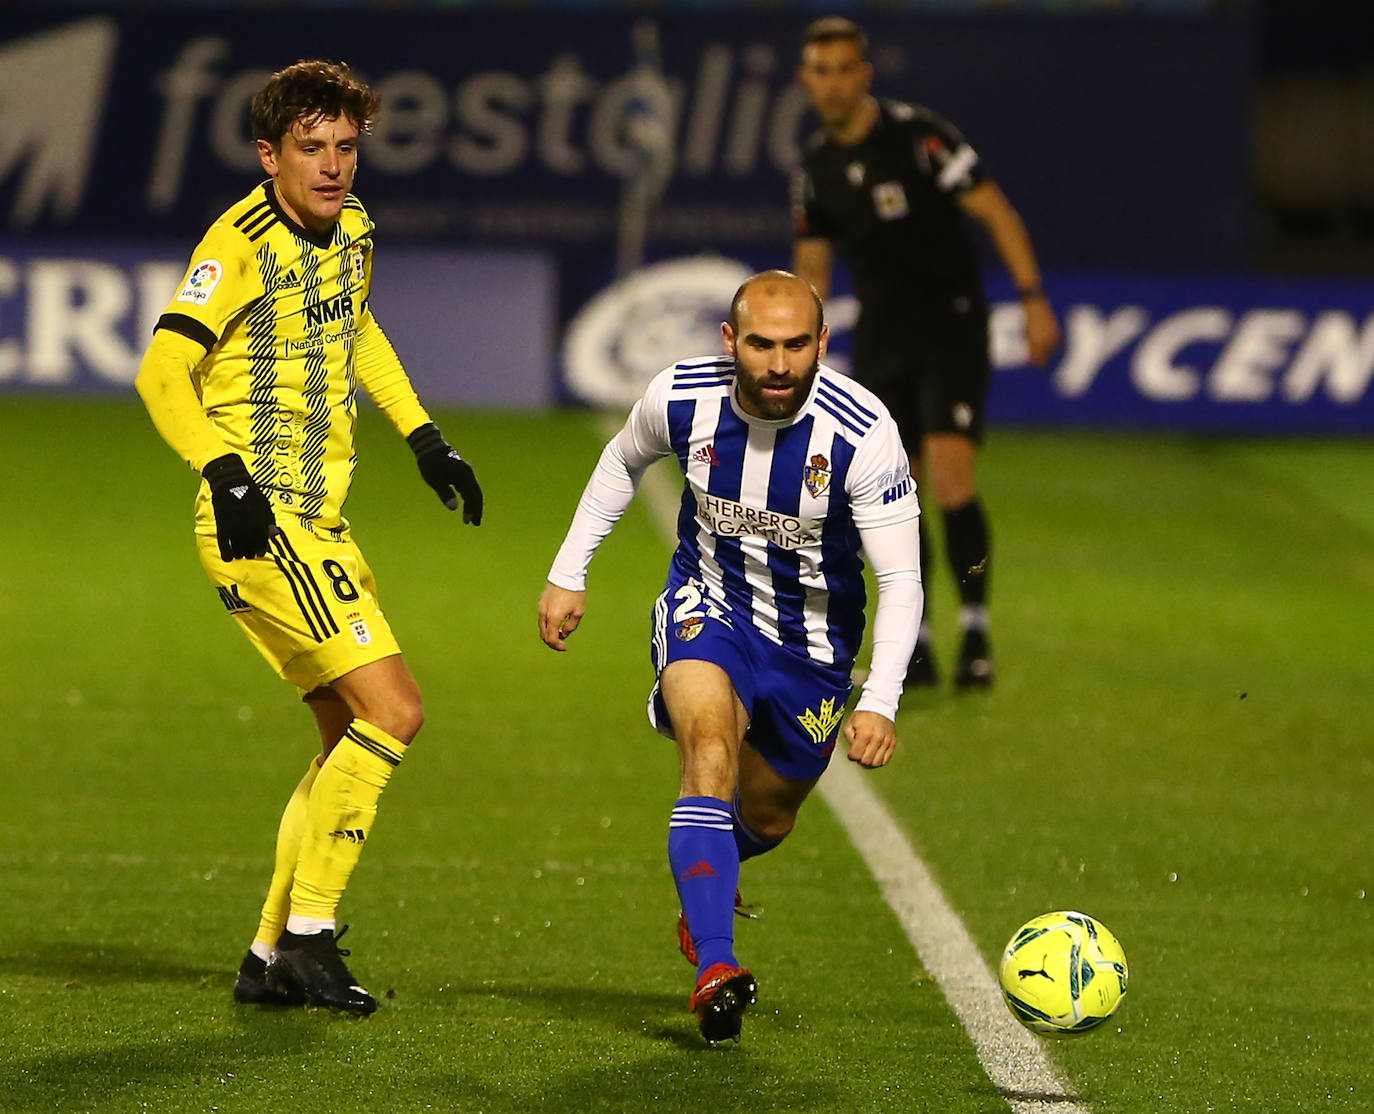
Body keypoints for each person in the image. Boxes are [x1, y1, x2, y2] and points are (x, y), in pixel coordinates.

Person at [135, 60, 483, 1016]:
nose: (332, 167)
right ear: (269, 154)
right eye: (310, 148)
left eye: (345, 147)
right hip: (260, 518)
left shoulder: (354, 229)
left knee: (346, 739)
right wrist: (222, 467)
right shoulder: (236, 243)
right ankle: (309, 936)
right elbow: (162, 372)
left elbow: (358, 328)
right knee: (396, 709)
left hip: (318, 520)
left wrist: (424, 435)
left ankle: (265, 957)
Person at [537, 270, 922, 1045]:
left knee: (769, 817)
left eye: (794, 346)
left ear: (820, 343)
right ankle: (717, 964)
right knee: (708, 752)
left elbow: (900, 576)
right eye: (759, 344)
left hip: (813, 649)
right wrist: (568, 571)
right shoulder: (681, 397)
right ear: (729, 342)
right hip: (706, 608)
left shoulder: (864, 432)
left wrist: (880, 696)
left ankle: (704, 888)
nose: (777, 364)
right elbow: (621, 462)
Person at [792, 16, 1061, 690]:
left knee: (951, 476)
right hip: (884, 335)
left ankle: (975, 628)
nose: (831, 83)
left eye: (843, 69)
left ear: (865, 74)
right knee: (898, 494)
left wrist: (1032, 298)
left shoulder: (920, 138)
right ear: (807, 79)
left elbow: (996, 211)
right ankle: (919, 638)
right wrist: (798, 348)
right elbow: (813, 267)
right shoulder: (816, 168)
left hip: (953, 324)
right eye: (819, 71)